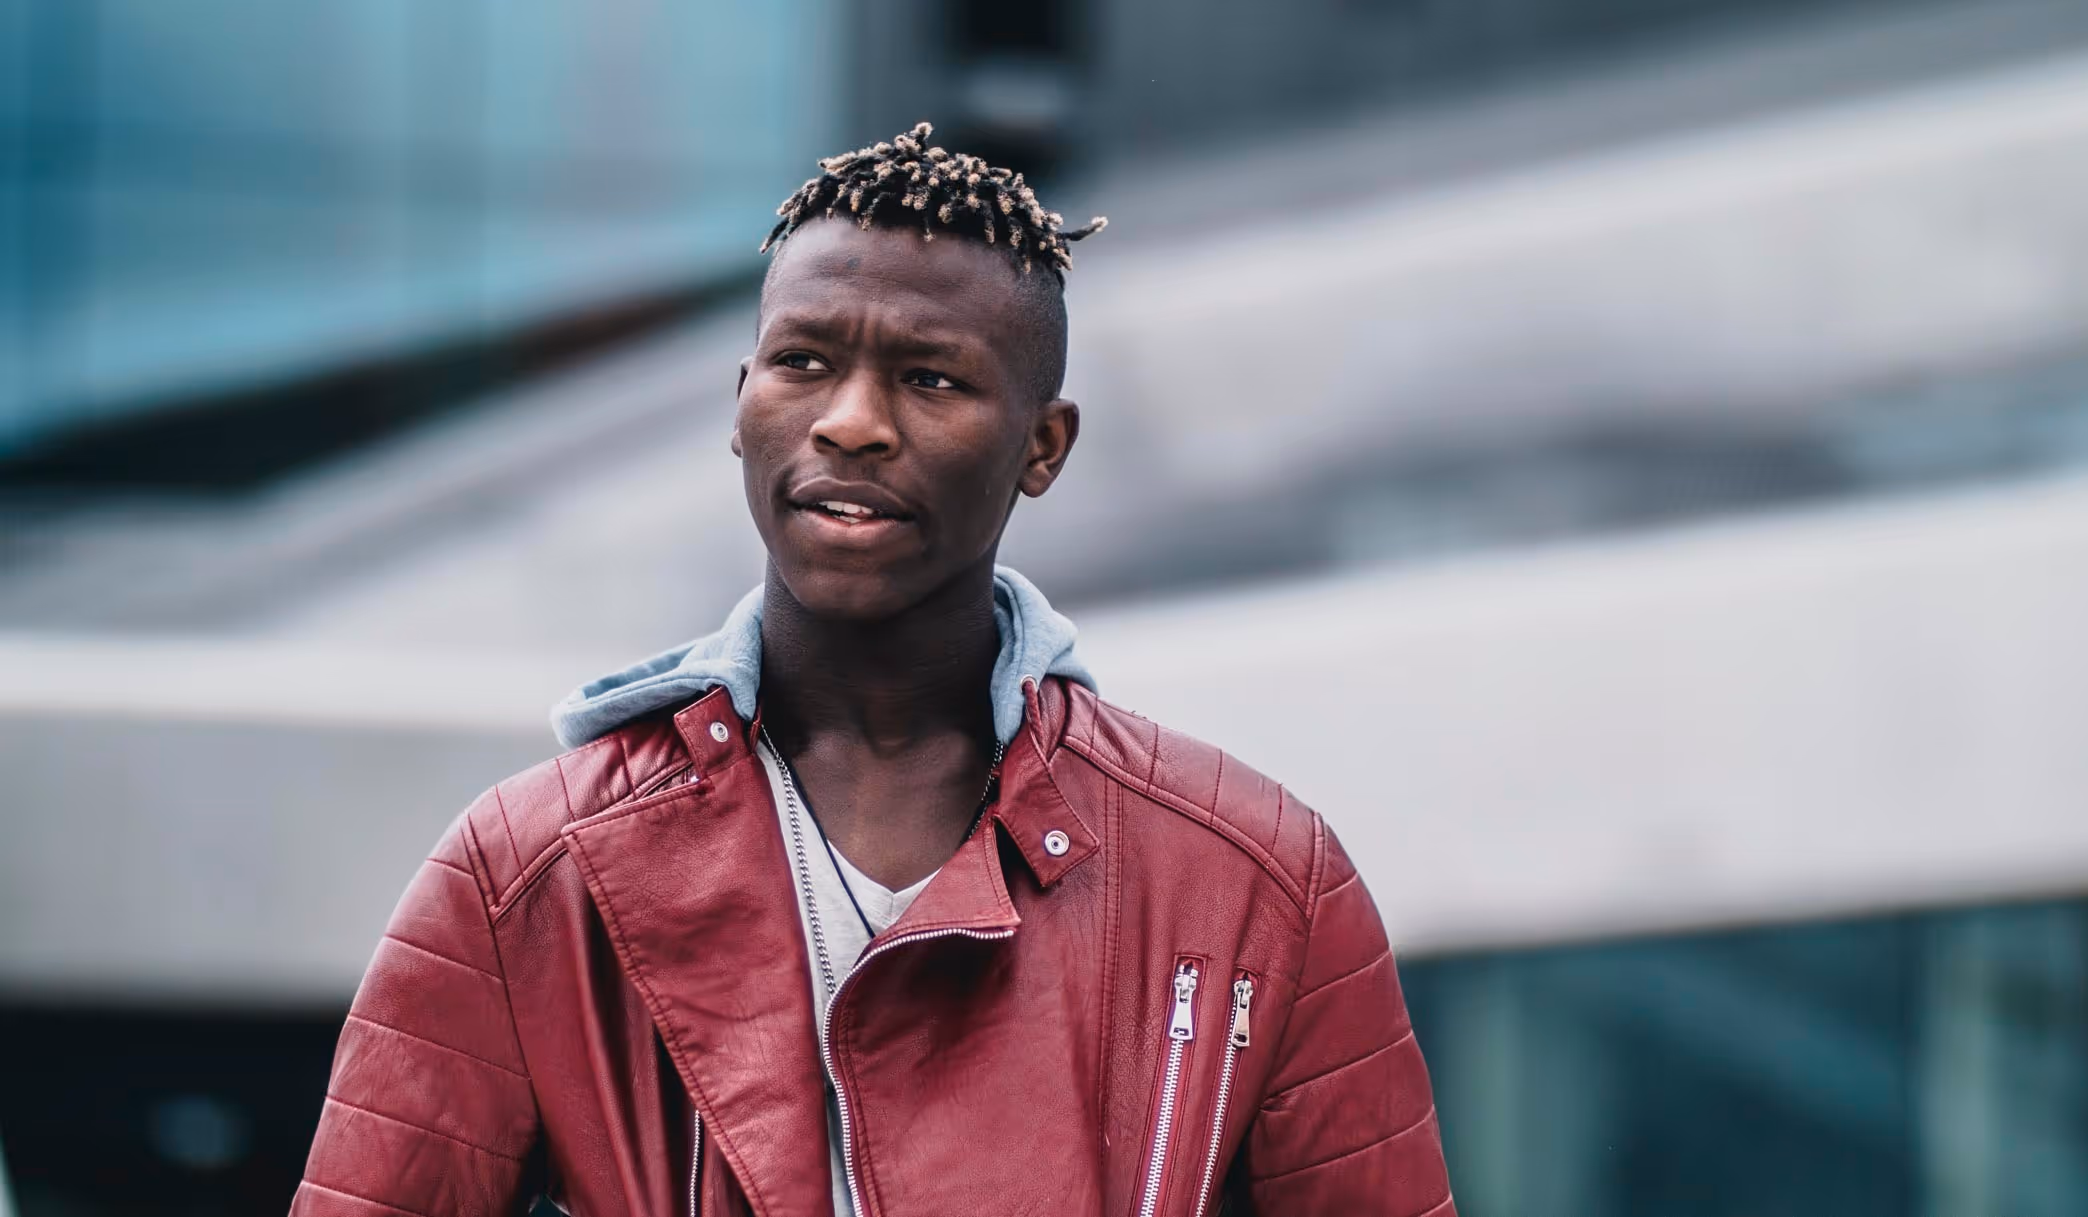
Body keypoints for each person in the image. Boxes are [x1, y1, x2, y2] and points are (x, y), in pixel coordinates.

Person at [293, 123, 1454, 1217]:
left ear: (1042, 446)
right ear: (740, 404)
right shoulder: (526, 873)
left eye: (931, 379)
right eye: (803, 360)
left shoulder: (1257, 879)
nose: (851, 421)